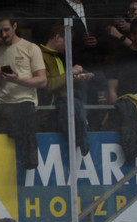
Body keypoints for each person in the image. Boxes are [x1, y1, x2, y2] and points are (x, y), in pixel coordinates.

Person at [0, 16, 47, 170]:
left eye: (6, 30)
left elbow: (42, 80)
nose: (3, 34)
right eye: (0, 31)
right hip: (1, 104)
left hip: (24, 103)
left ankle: (29, 161)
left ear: (15, 26)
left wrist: (17, 79)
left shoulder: (31, 48)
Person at [40, 23, 93, 158]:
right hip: (49, 113)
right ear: (58, 37)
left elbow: (61, 84)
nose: (68, 46)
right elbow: (48, 85)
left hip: (61, 111)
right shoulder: (40, 56)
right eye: (67, 41)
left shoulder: (57, 58)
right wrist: (70, 73)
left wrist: (77, 78)